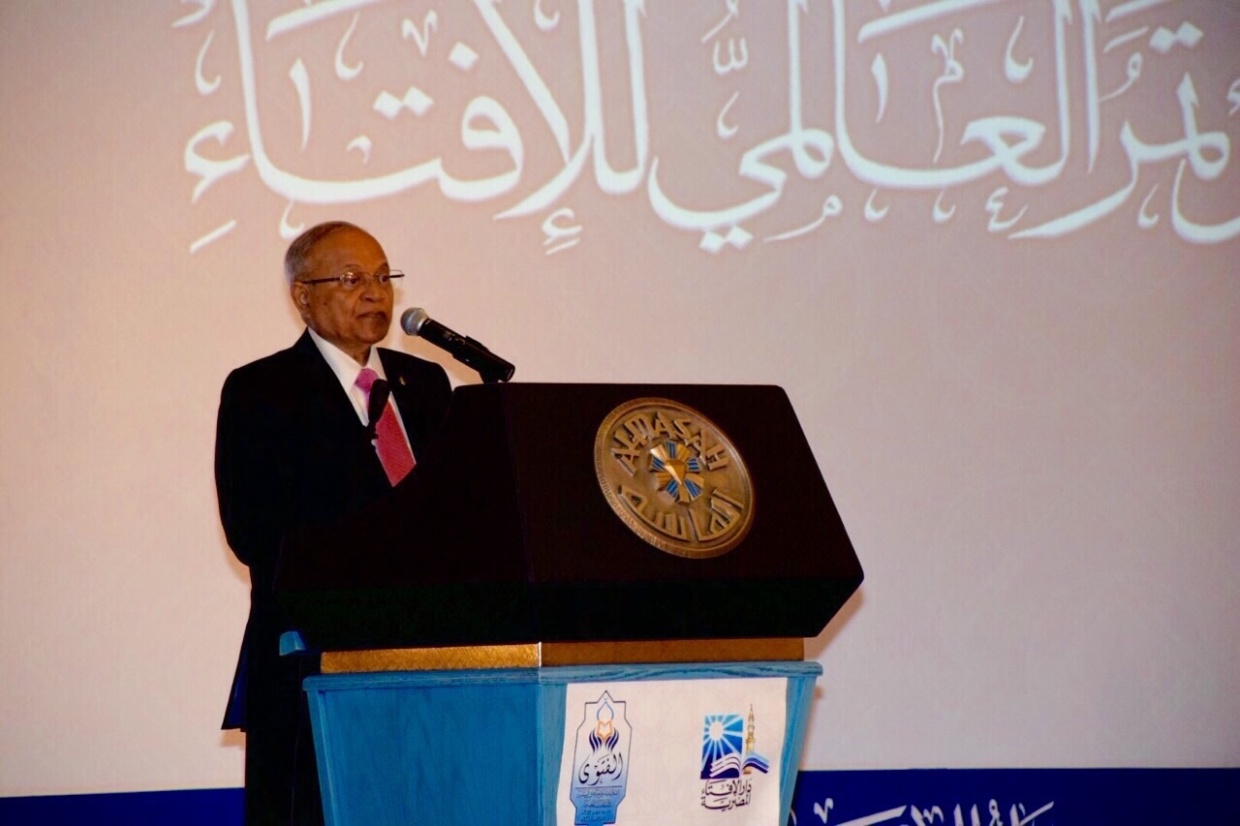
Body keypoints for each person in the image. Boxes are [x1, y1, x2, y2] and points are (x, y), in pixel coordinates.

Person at [214, 222, 452, 824]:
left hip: (430, 657)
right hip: (313, 660)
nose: (374, 292)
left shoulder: (425, 384)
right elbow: (254, 531)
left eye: (383, 277)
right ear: (303, 296)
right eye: (351, 279)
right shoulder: (261, 390)